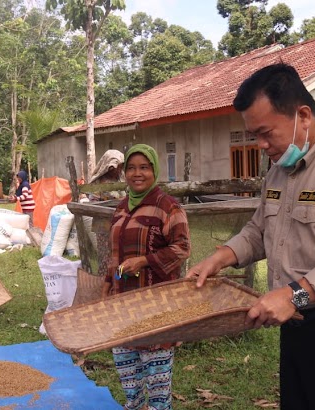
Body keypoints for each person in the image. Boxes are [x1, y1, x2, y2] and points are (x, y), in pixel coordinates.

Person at [188, 63, 315, 410]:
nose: (261, 144)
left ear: (303, 115)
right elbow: (259, 230)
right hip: (298, 321)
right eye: (254, 134)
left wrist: (294, 295)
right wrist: (219, 257)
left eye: (266, 132)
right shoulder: (280, 168)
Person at [101, 144, 190, 410]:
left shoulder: (168, 207)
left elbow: (182, 248)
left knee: (158, 386)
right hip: (124, 304)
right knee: (129, 380)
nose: (137, 174)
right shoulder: (121, 208)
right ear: (124, 172)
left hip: (157, 305)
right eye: (131, 168)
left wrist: (145, 261)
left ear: (154, 170)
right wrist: (108, 283)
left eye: (144, 167)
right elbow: (115, 255)